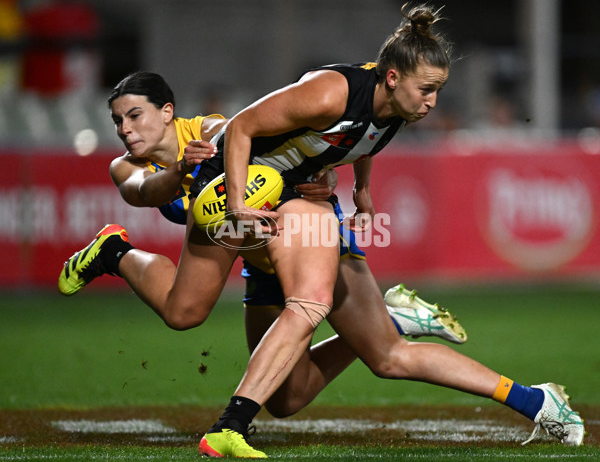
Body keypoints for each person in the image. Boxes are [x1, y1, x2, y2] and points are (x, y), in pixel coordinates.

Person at [60, 4, 584, 457]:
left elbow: (358, 140)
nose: (432, 102)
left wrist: (359, 189)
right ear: (394, 78)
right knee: (238, 356)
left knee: (379, 353)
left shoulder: (397, 106)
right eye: (427, 90)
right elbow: (231, 135)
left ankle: (536, 401)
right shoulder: (330, 93)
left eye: (437, 91)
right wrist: (233, 197)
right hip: (244, 209)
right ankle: (115, 251)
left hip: (287, 209)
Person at [58, 70, 466, 419]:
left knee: (355, 360)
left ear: (167, 112)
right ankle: (113, 250)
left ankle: (236, 421)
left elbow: (320, 135)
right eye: (117, 120)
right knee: (261, 379)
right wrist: (181, 169)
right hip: (254, 256)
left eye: (134, 115)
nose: (124, 128)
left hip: (293, 237)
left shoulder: (217, 133)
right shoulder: (125, 166)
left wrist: (330, 179)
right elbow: (146, 191)